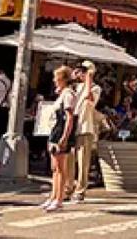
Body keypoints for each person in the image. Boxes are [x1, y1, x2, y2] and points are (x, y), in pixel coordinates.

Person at [43, 66, 76, 213]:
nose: (54, 81)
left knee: (60, 168)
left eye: (57, 78)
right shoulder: (63, 94)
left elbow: (69, 118)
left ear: (63, 80)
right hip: (55, 131)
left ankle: (59, 198)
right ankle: (53, 196)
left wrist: (64, 137)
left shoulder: (68, 95)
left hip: (60, 132)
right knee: (54, 168)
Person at [67, 62, 101, 203]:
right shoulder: (76, 87)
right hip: (73, 126)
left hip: (85, 127)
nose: (81, 73)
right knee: (69, 159)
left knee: (83, 161)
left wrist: (89, 77)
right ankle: (68, 187)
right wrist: (72, 79)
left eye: (84, 71)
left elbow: (89, 97)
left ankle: (80, 189)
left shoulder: (95, 88)